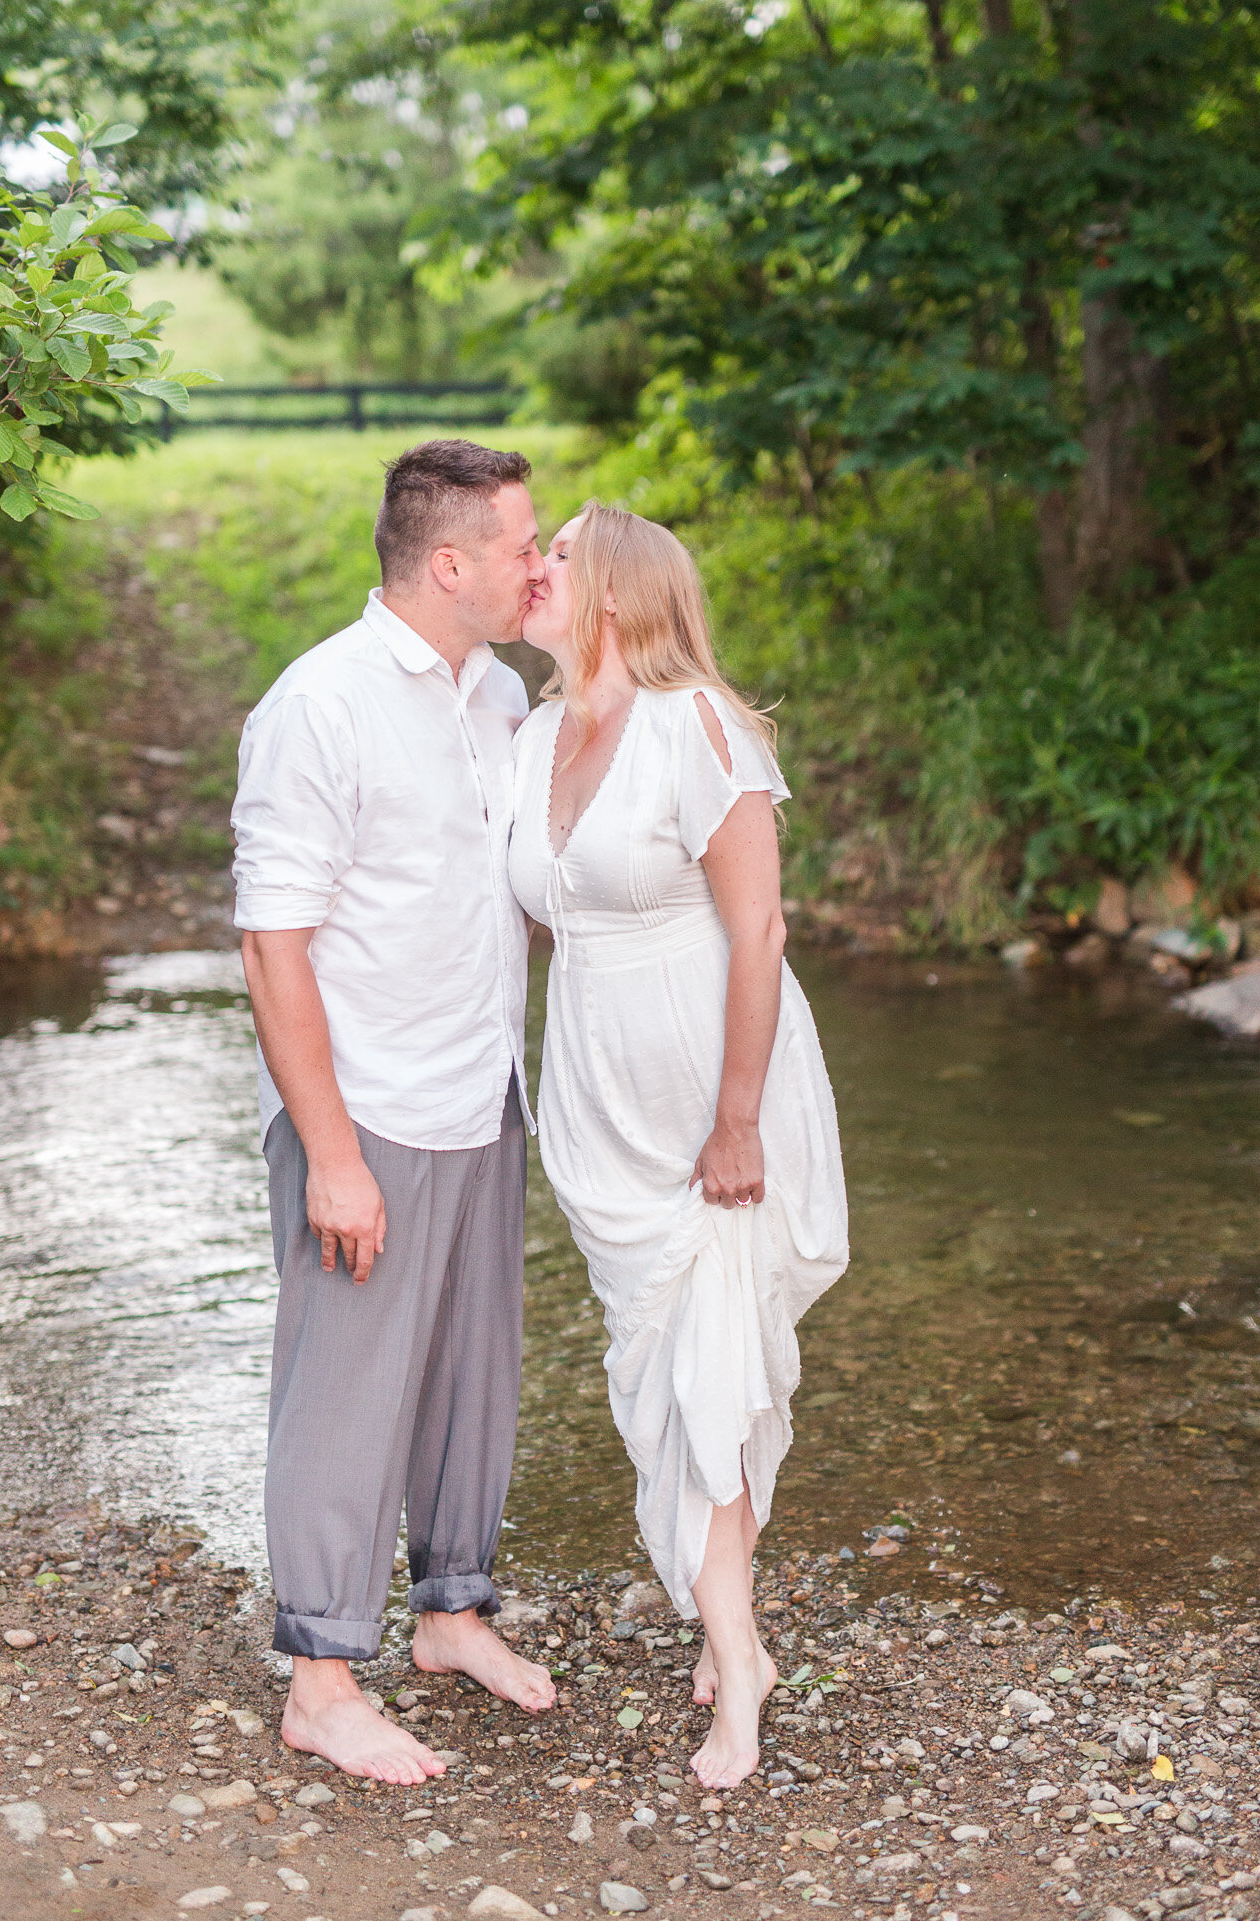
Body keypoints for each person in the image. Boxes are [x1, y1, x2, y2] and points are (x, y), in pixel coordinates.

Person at [509, 500, 849, 1790]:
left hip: (719, 1085)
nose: (534, 572)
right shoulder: (535, 735)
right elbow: (547, 916)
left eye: (558, 557)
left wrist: (738, 1117)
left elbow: (756, 933)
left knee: (715, 1361)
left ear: (616, 592)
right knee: (664, 1370)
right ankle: (731, 1626)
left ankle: (739, 1675)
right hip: (601, 1093)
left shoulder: (695, 727)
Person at [231, 438, 554, 1787]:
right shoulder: (321, 704)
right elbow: (271, 946)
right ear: (448, 563)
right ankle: (318, 1678)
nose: (538, 568)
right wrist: (331, 1155)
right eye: (521, 547)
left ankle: (451, 1616)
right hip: (365, 1113)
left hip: (481, 1089)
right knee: (347, 1393)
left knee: (474, 1381)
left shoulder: (498, 698)